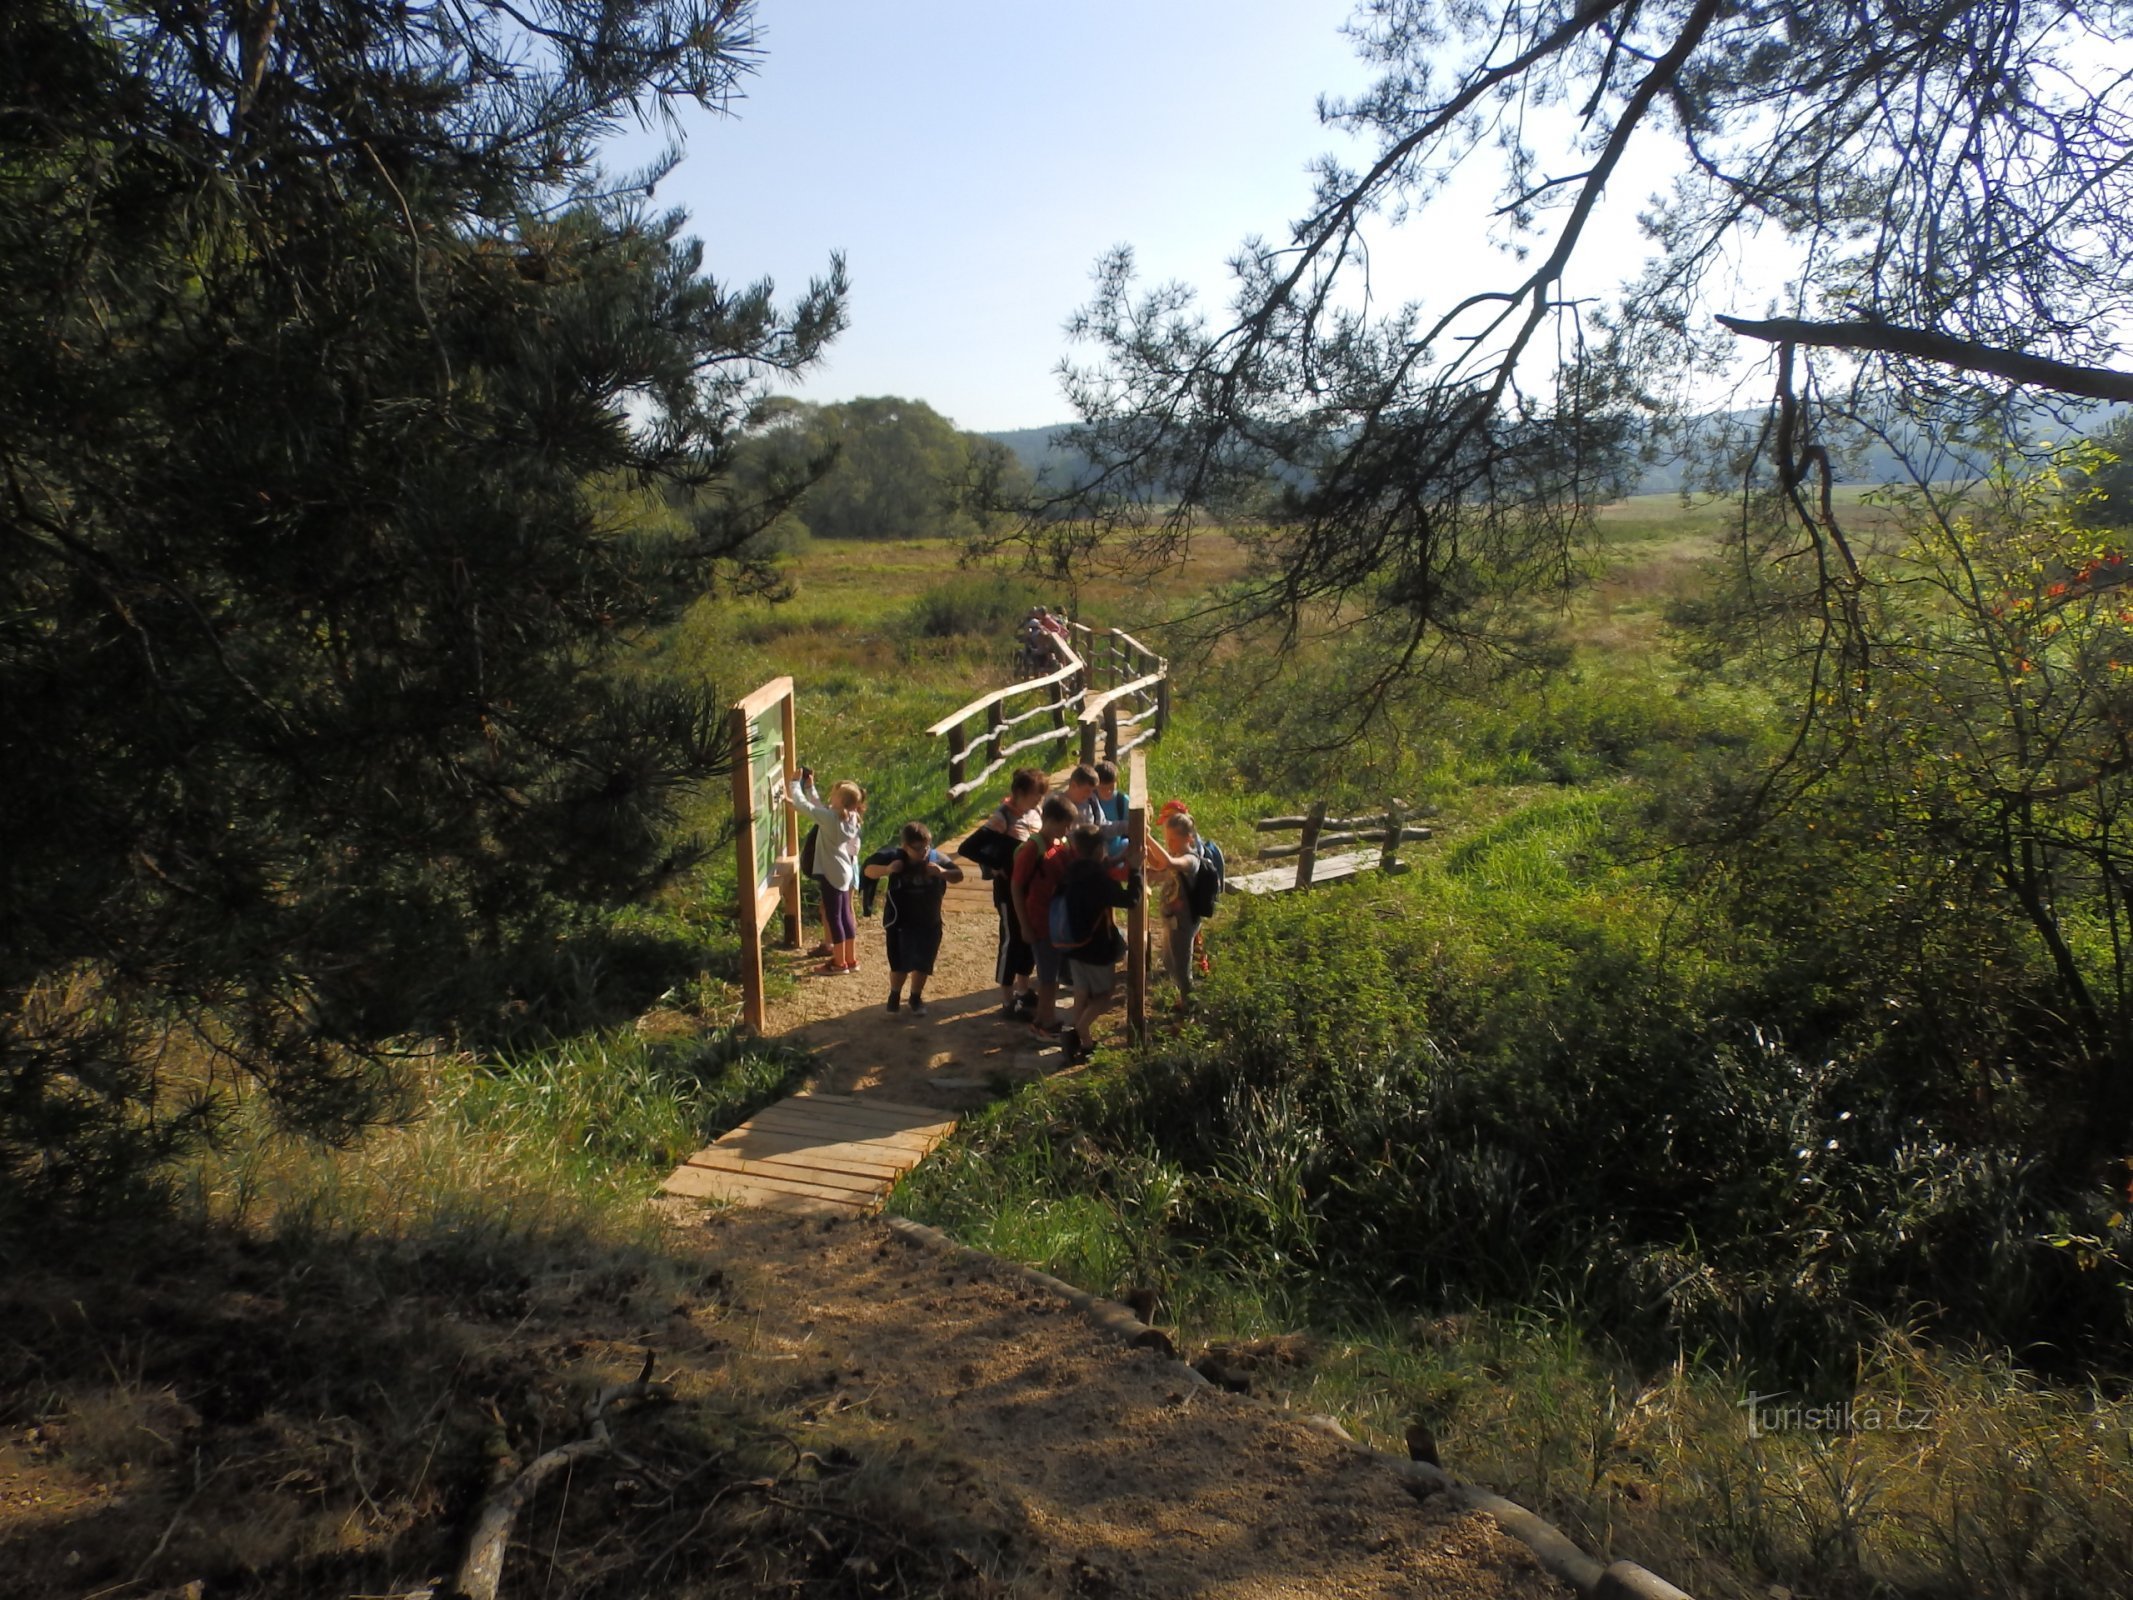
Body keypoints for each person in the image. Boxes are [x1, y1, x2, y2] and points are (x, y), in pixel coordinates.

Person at [1055, 823, 1141, 1064]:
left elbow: (1096, 870)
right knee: (1104, 995)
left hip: (1073, 945)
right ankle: (1082, 1030)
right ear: (1100, 849)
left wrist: (1115, 861)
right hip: (1096, 948)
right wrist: (1135, 870)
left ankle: (1077, 1040)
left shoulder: (1072, 871)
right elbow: (1130, 900)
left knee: (1081, 994)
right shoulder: (1100, 880)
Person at [862, 822, 962, 1016]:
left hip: (929, 922)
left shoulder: (937, 858)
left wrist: (942, 873)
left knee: (923, 964)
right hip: (899, 922)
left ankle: (915, 997)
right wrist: (888, 869)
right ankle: (895, 995)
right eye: (917, 849)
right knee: (899, 965)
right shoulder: (894, 857)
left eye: (926, 847)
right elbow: (867, 870)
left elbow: (958, 875)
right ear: (904, 846)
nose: (923, 852)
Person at [982, 767, 1049, 1018]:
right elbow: (982, 849)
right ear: (1019, 793)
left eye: (1041, 795)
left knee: (1028, 937)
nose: (1039, 800)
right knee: (1011, 940)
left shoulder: (1036, 812)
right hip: (1008, 889)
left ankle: (1023, 990)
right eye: (1035, 794)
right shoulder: (1001, 817)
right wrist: (996, 866)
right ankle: (1007, 998)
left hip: (1032, 887)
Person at [785, 765, 865, 974]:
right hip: (845, 870)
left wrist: (795, 783)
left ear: (841, 801)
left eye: (835, 795)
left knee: (834, 916)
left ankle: (838, 963)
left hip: (832, 872)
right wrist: (810, 788)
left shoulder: (831, 819)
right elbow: (820, 807)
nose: (832, 797)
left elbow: (806, 807)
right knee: (846, 915)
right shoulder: (850, 817)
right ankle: (850, 959)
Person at [1014, 795, 1077, 1039]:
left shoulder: (1059, 845)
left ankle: (1043, 1018)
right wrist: (1024, 926)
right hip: (1039, 922)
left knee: (1052, 975)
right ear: (1049, 820)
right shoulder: (1033, 848)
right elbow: (1017, 887)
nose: (1067, 830)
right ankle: (1044, 1025)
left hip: (1056, 921)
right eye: (1065, 825)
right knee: (1047, 977)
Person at [1143, 808, 1203, 1012]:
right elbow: (1161, 865)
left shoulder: (1190, 860)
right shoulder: (1178, 853)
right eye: (1167, 840)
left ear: (1188, 838)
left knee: (1181, 968)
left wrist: (1147, 837)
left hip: (1183, 924)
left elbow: (1168, 863)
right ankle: (1184, 1000)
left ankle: (1190, 1009)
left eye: (1173, 840)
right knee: (1170, 962)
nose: (1170, 845)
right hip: (1172, 921)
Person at [1092, 759, 1129, 860]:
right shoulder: (1091, 801)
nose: (1108, 791)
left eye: (1111, 787)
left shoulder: (1122, 801)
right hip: (1096, 849)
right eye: (1103, 788)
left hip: (1119, 847)